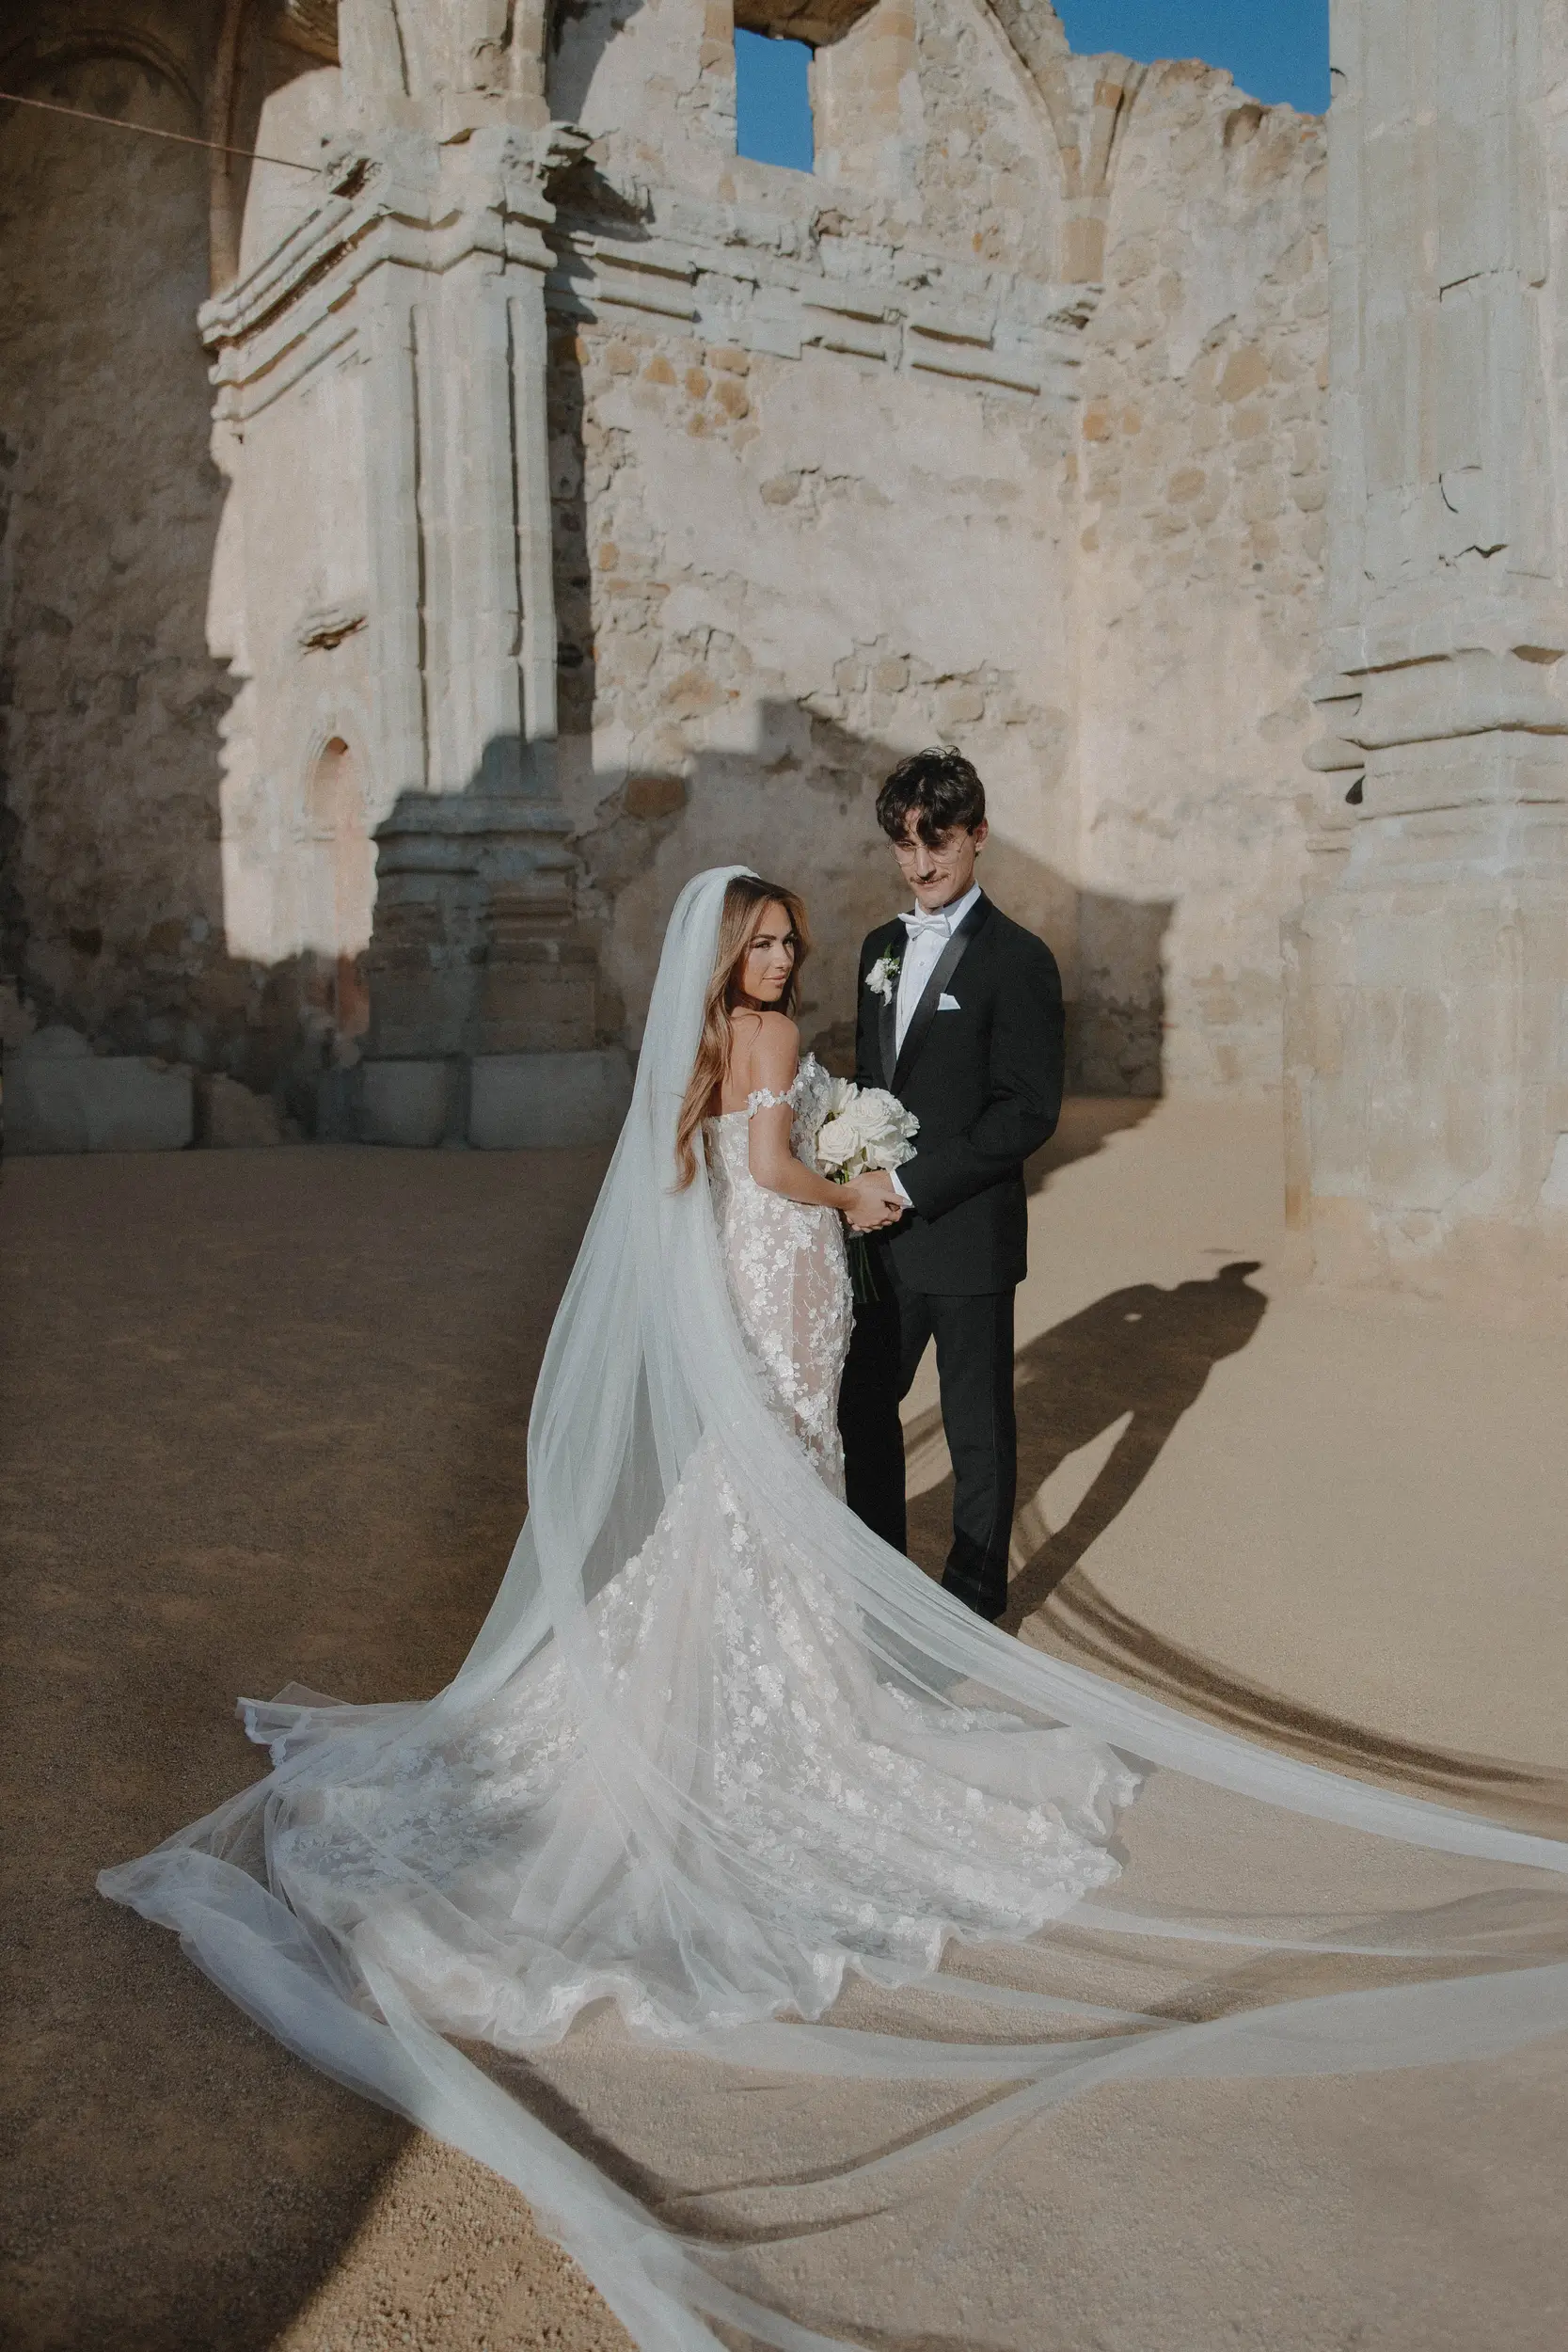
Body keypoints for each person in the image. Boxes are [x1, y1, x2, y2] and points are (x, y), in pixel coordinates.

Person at [98, 866, 1568, 2352]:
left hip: (783, 1266)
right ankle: (760, 1705)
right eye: (763, 946)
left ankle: (785, 1680)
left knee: (779, 1480)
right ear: (725, 960)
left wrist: (825, 1164)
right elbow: (766, 1162)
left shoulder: (755, 1029)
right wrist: (848, 1181)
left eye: (790, 943)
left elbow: (748, 1154)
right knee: (773, 1478)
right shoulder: (753, 1048)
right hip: (783, 1254)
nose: (782, 961)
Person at [838, 748, 1064, 1620]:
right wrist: (851, 1165)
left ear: (977, 837)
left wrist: (908, 1177)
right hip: (878, 1234)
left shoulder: (1020, 959)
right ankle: (881, 1583)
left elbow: (1026, 1111)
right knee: (862, 1405)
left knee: (975, 1426)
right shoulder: (878, 948)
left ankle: (972, 1601)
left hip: (966, 1228)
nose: (920, 863)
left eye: (937, 842)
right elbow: (873, 1081)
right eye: (903, 844)